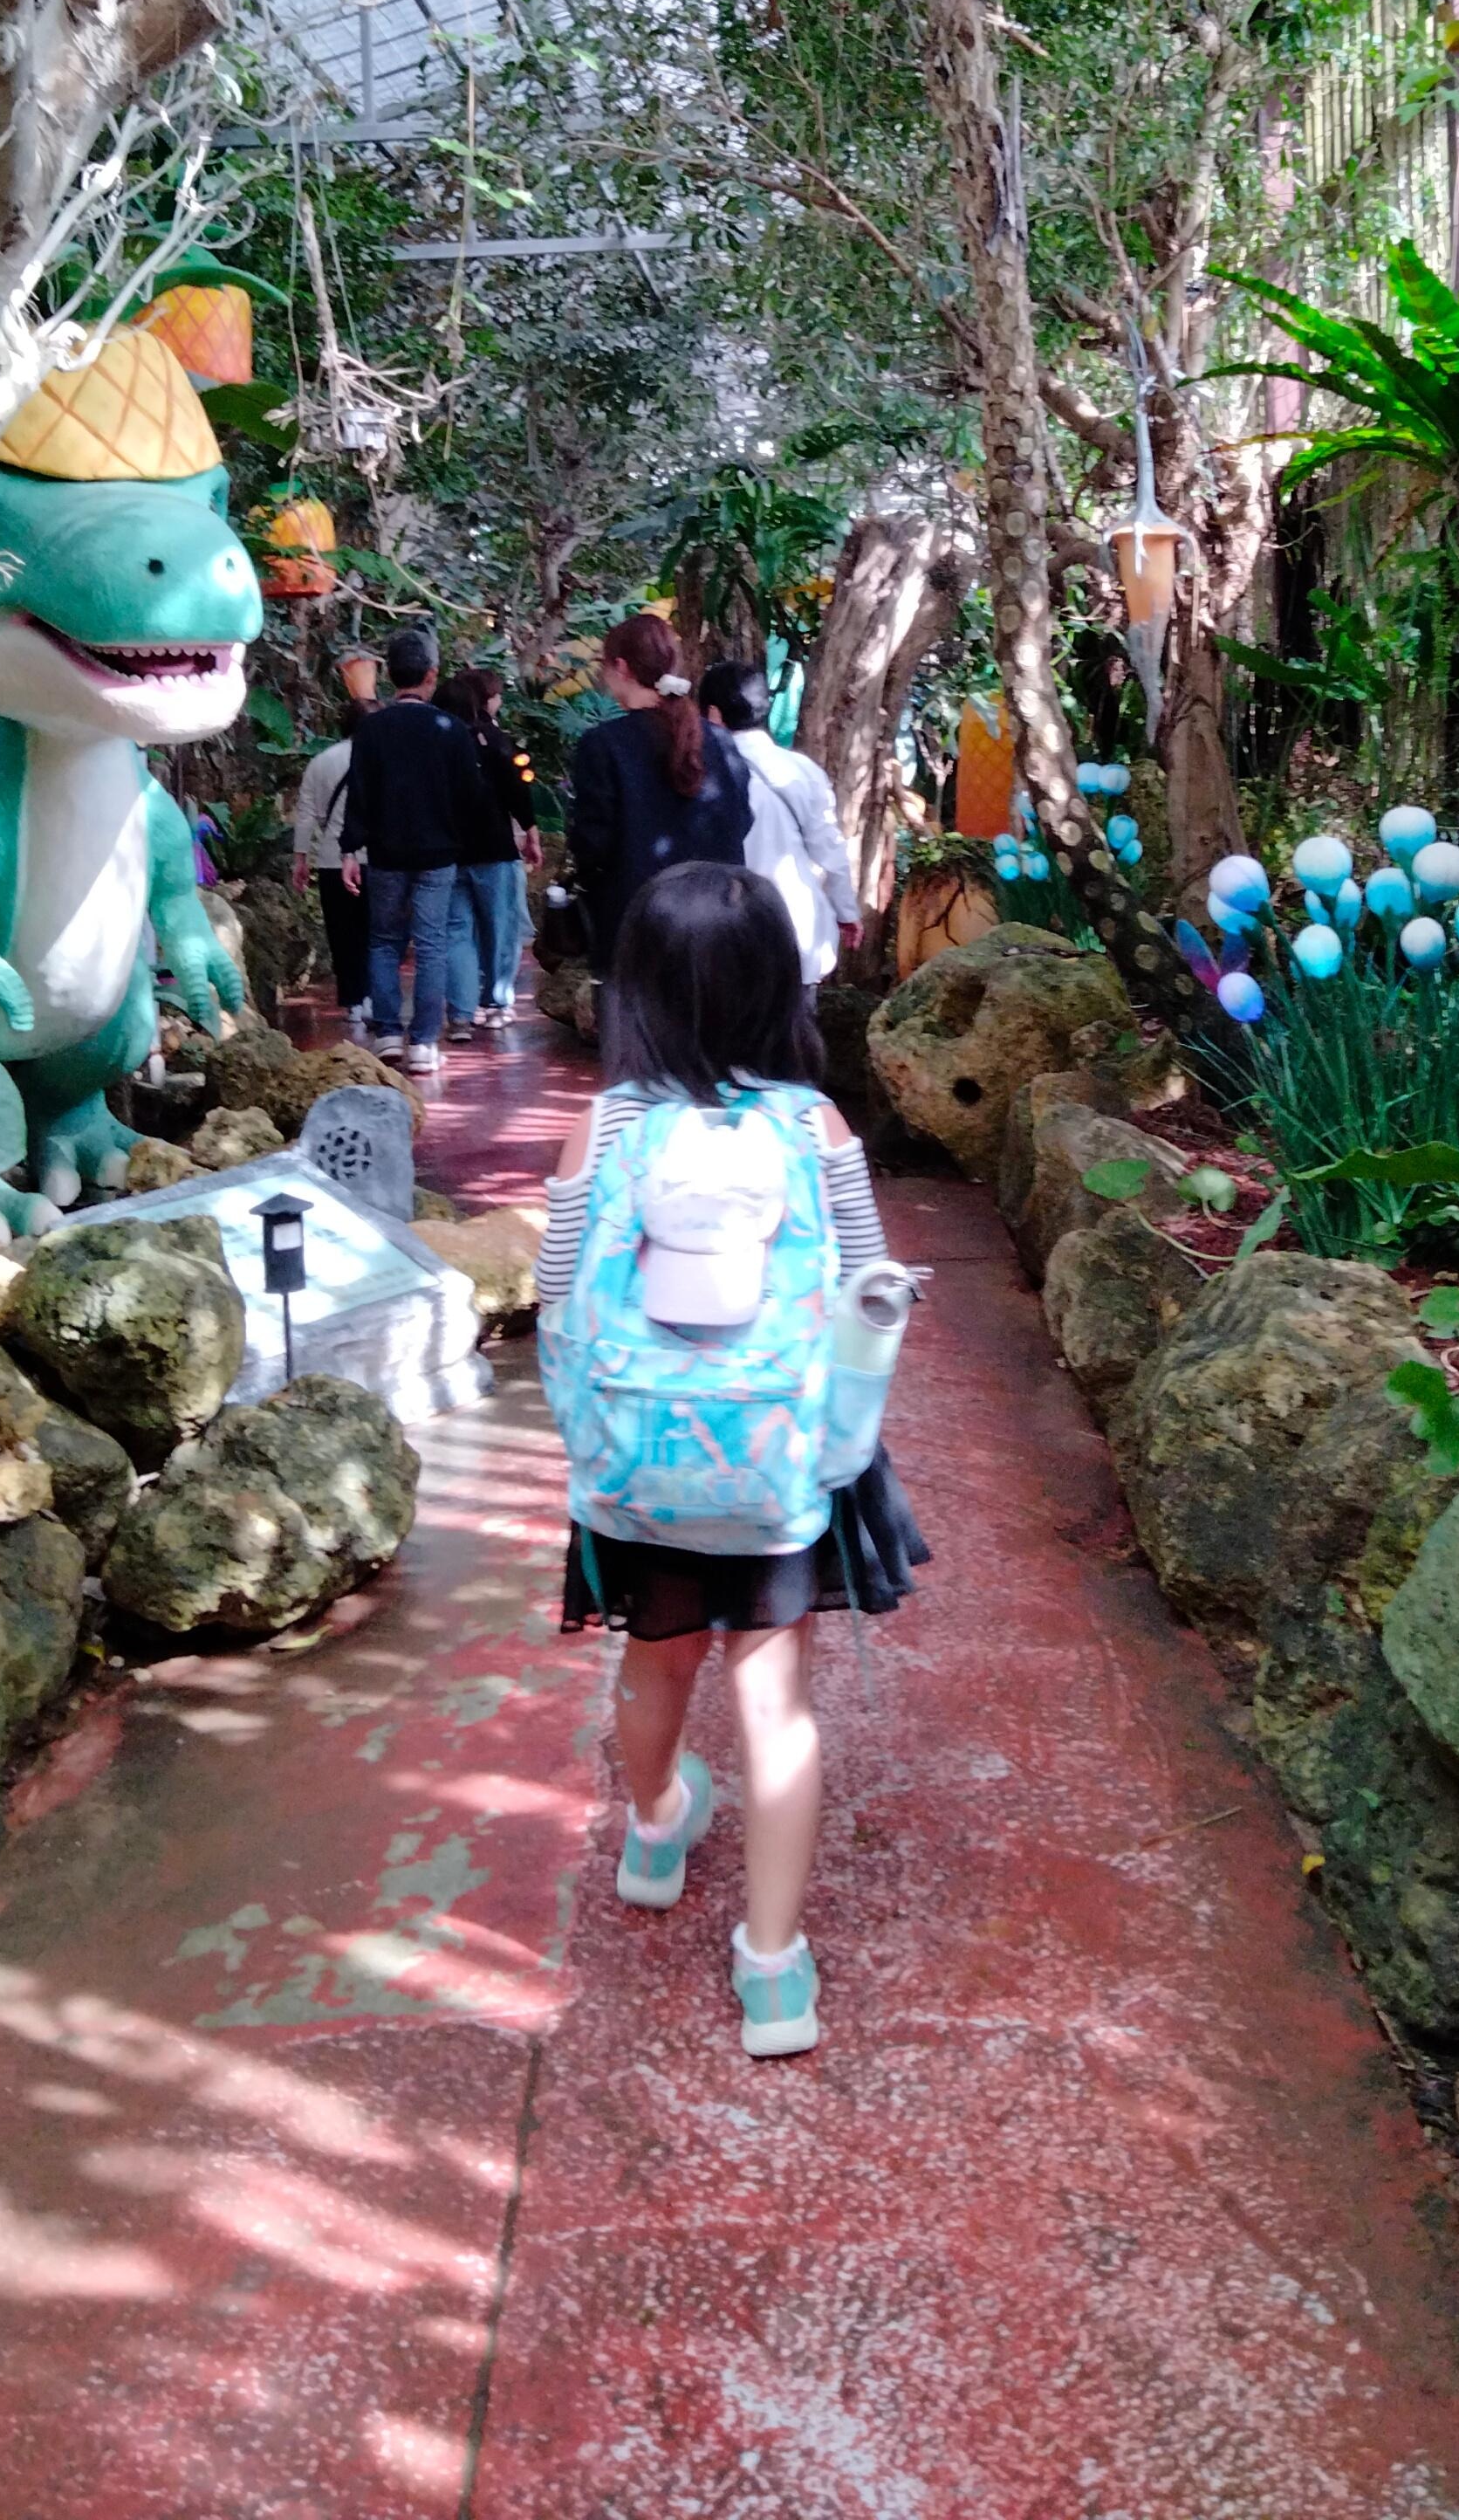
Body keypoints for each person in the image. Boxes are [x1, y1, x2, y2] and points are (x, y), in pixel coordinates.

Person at [536, 862, 928, 2059]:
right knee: (776, 1705)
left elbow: (555, 1299)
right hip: (774, 1471)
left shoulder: (605, 1128)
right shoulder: (816, 1127)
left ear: (637, 991)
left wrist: (590, 1429)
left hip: (635, 1467)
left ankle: (657, 1826)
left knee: (655, 1666)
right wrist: (846, 1431)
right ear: (778, 989)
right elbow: (870, 1288)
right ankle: (772, 1973)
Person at [567, 613, 752, 986]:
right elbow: (741, 821)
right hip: (716, 923)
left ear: (621, 667)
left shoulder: (603, 745)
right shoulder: (720, 741)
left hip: (633, 930)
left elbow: (591, 845)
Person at [341, 621, 479, 1073]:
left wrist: (349, 850)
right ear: (431, 675)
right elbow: (469, 796)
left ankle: (387, 1034)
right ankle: (423, 1042)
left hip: (386, 853)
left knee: (384, 941)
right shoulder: (451, 728)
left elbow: (359, 793)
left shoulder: (372, 729)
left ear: (389, 675)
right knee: (431, 944)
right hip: (438, 854)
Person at [696, 660, 860, 999]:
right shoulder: (802, 771)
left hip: (721, 940)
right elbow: (831, 852)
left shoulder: (697, 775)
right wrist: (846, 913)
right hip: (797, 935)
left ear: (713, 714)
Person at [435, 666, 538, 1032]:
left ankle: (462, 1012)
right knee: (500, 928)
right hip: (494, 847)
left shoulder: (434, 745)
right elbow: (516, 787)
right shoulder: (491, 739)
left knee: (457, 933)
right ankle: (496, 1001)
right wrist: (530, 829)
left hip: (449, 851)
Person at [291, 704, 368, 1029]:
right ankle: (373, 996)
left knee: (342, 932)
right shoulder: (379, 757)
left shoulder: (320, 762)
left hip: (331, 859)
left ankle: (353, 1001)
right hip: (374, 858)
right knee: (375, 931)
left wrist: (300, 859)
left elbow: (306, 815)